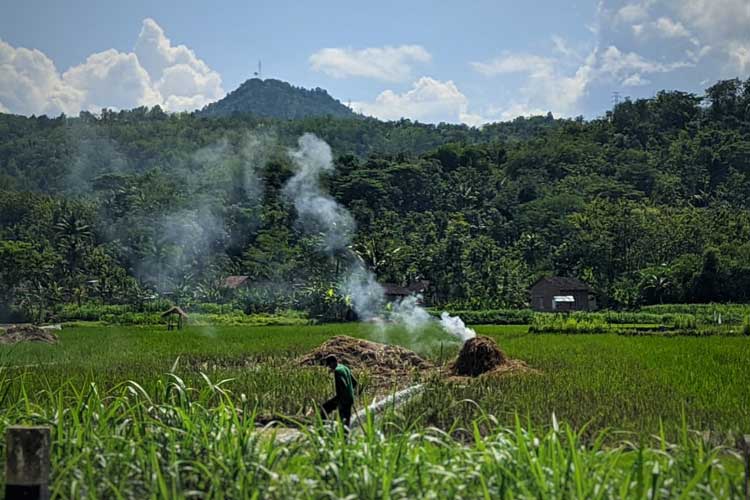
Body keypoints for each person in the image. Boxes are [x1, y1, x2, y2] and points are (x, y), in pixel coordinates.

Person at [321, 355, 358, 427]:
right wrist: (352, 395)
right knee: (346, 421)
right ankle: (345, 435)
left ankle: (322, 429)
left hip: (343, 400)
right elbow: (355, 383)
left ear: (332, 363)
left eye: (329, 365)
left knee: (324, 409)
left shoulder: (337, 371)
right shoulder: (344, 367)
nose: (330, 367)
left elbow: (342, 385)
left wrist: (340, 401)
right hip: (350, 399)